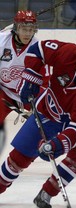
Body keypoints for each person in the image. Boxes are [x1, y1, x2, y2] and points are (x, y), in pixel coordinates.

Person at [0, 39, 76, 208]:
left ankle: (46, 194)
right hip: (49, 111)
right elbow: (38, 49)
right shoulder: (69, 53)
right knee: (20, 156)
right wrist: (31, 77)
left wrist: (57, 144)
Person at [0, 10, 38, 155]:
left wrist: (37, 106)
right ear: (16, 28)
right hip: (5, 93)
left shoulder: (37, 48)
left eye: (31, 29)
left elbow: (44, 80)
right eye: (24, 29)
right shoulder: (2, 40)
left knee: (49, 126)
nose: (28, 33)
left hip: (27, 95)